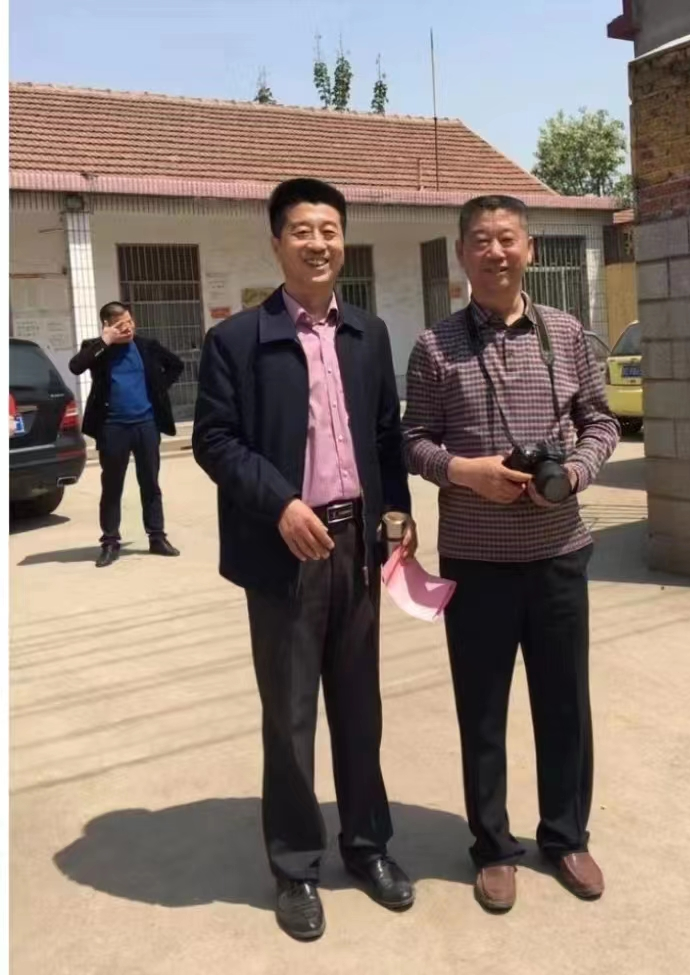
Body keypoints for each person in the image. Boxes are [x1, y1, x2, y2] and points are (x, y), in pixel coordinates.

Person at [192, 178, 418, 942]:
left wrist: (397, 512)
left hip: (358, 546)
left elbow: (384, 434)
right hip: (283, 546)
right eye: (302, 230)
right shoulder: (238, 341)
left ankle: (368, 845)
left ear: (342, 240)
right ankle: (294, 866)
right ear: (276, 242)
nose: (317, 243)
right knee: (290, 717)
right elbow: (215, 440)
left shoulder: (368, 333)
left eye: (329, 229)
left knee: (360, 707)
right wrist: (281, 502)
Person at [402, 195, 620, 913]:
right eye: (480, 240)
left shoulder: (567, 332)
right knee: (482, 710)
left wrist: (575, 474)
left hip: (559, 552)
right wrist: (466, 472)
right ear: (461, 253)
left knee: (565, 705)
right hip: (475, 559)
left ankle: (566, 836)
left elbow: (600, 421)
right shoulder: (435, 346)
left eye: (507, 239)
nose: (495, 252)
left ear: (530, 248)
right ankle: (493, 847)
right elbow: (412, 440)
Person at [69, 302, 184, 567]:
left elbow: (175, 365)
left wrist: (157, 389)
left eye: (130, 321)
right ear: (108, 325)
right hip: (113, 427)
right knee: (112, 486)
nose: (129, 327)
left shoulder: (146, 346)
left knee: (150, 483)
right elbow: (76, 366)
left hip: (146, 425)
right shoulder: (97, 348)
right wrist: (105, 341)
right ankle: (110, 542)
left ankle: (157, 537)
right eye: (121, 324)